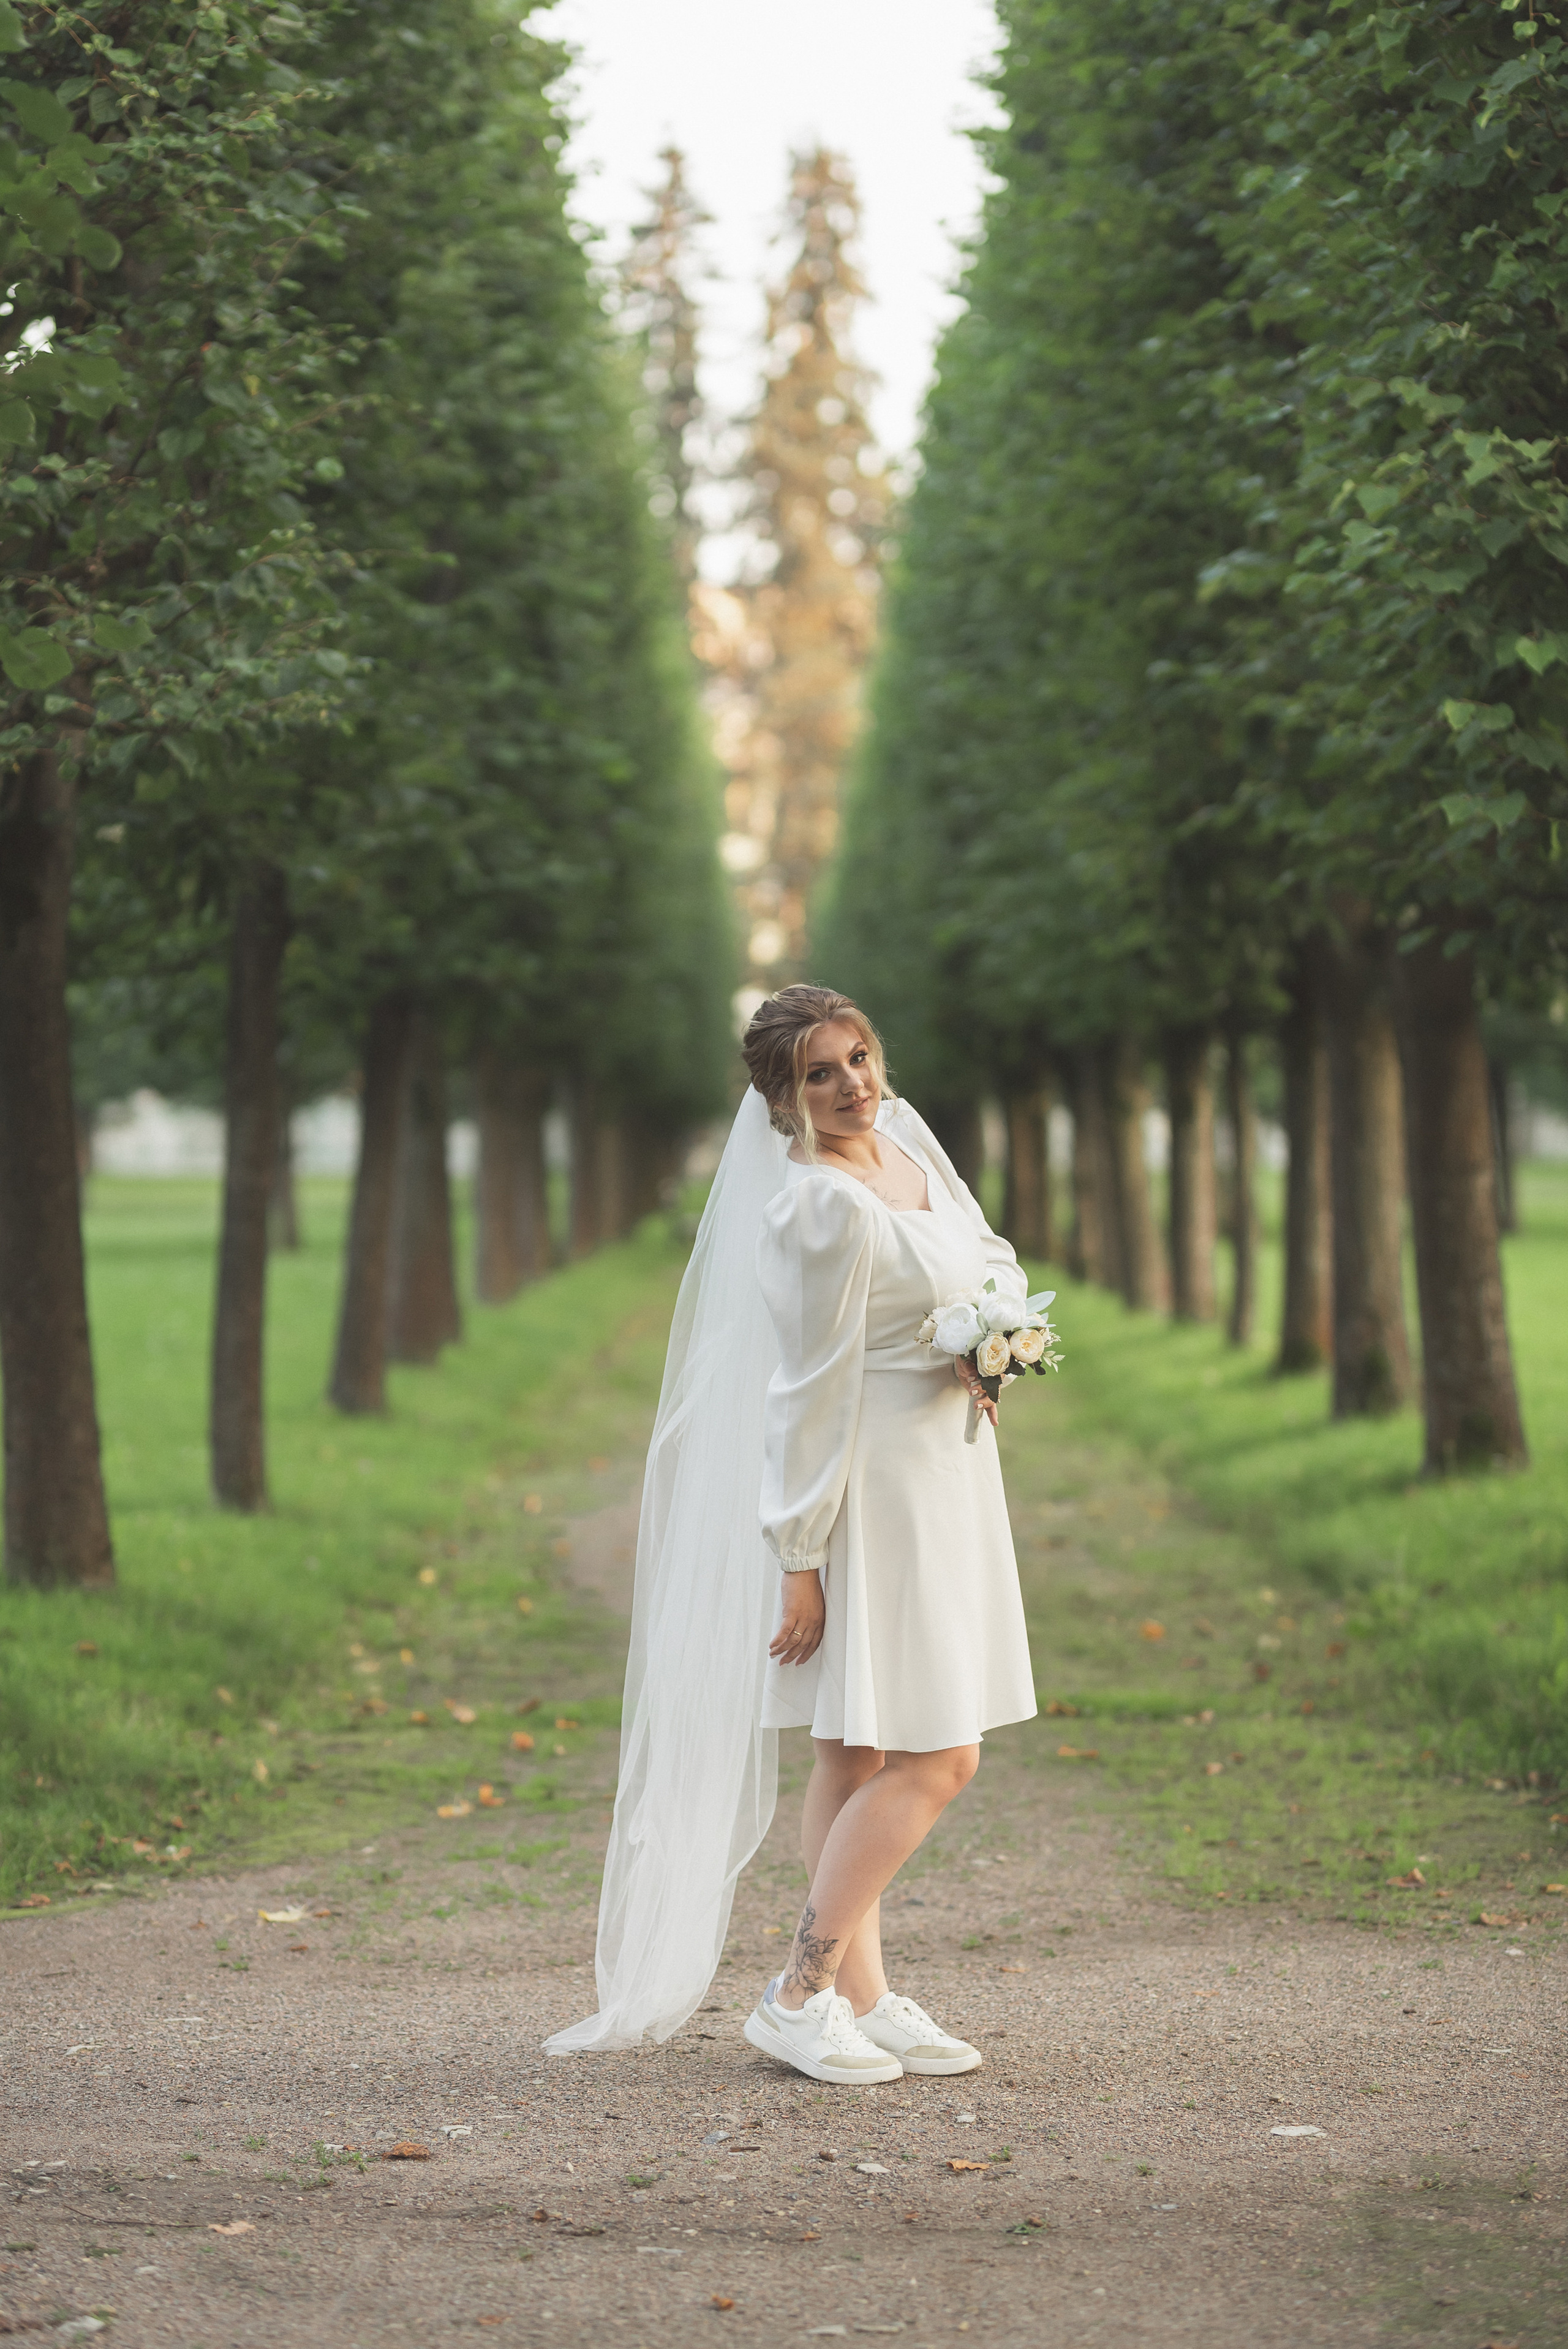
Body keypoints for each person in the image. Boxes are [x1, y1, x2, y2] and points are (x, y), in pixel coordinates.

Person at [544, 985, 1038, 2086]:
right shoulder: (817, 1207)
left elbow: (991, 1249)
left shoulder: (905, 1139)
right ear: (783, 1098)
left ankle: (863, 1996)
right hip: (873, 1490)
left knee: (851, 1747)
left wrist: (988, 1337)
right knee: (939, 1755)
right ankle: (798, 1991)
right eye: (822, 1073)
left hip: (948, 1469)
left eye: (858, 1056)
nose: (853, 1084)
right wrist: (800, 1560)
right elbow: (806, 1392)